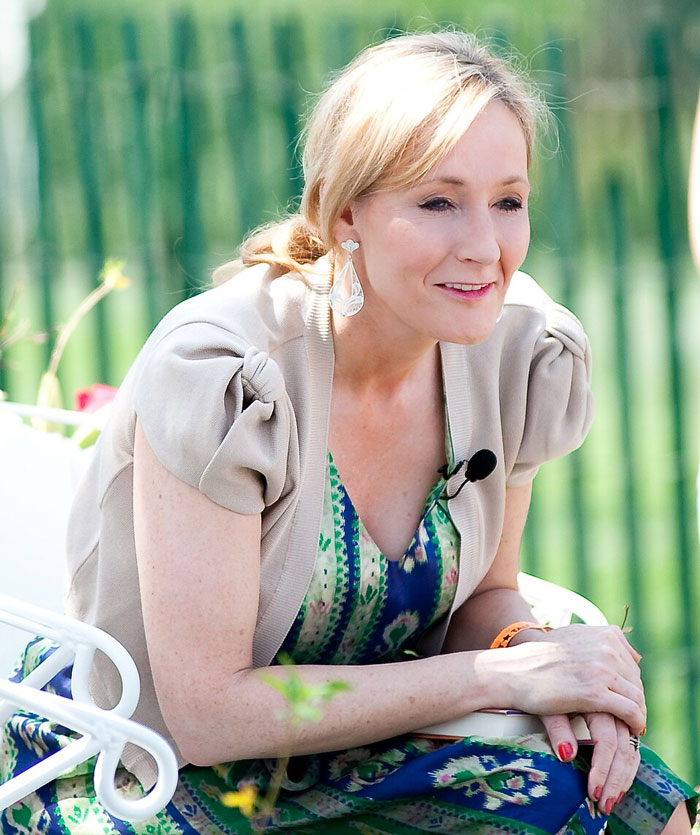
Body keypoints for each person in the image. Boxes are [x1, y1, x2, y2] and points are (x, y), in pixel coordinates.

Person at [1, 30, 697, 834]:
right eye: (438, 201)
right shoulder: (227, 374)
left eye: (509, 200)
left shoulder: (518, 351)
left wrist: (561, 675)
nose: (484, 248)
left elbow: (490, 596)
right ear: (344, 216)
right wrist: (498, 676)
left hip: (359, 746)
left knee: (630, 801)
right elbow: (210, 715)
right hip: (144, 768)